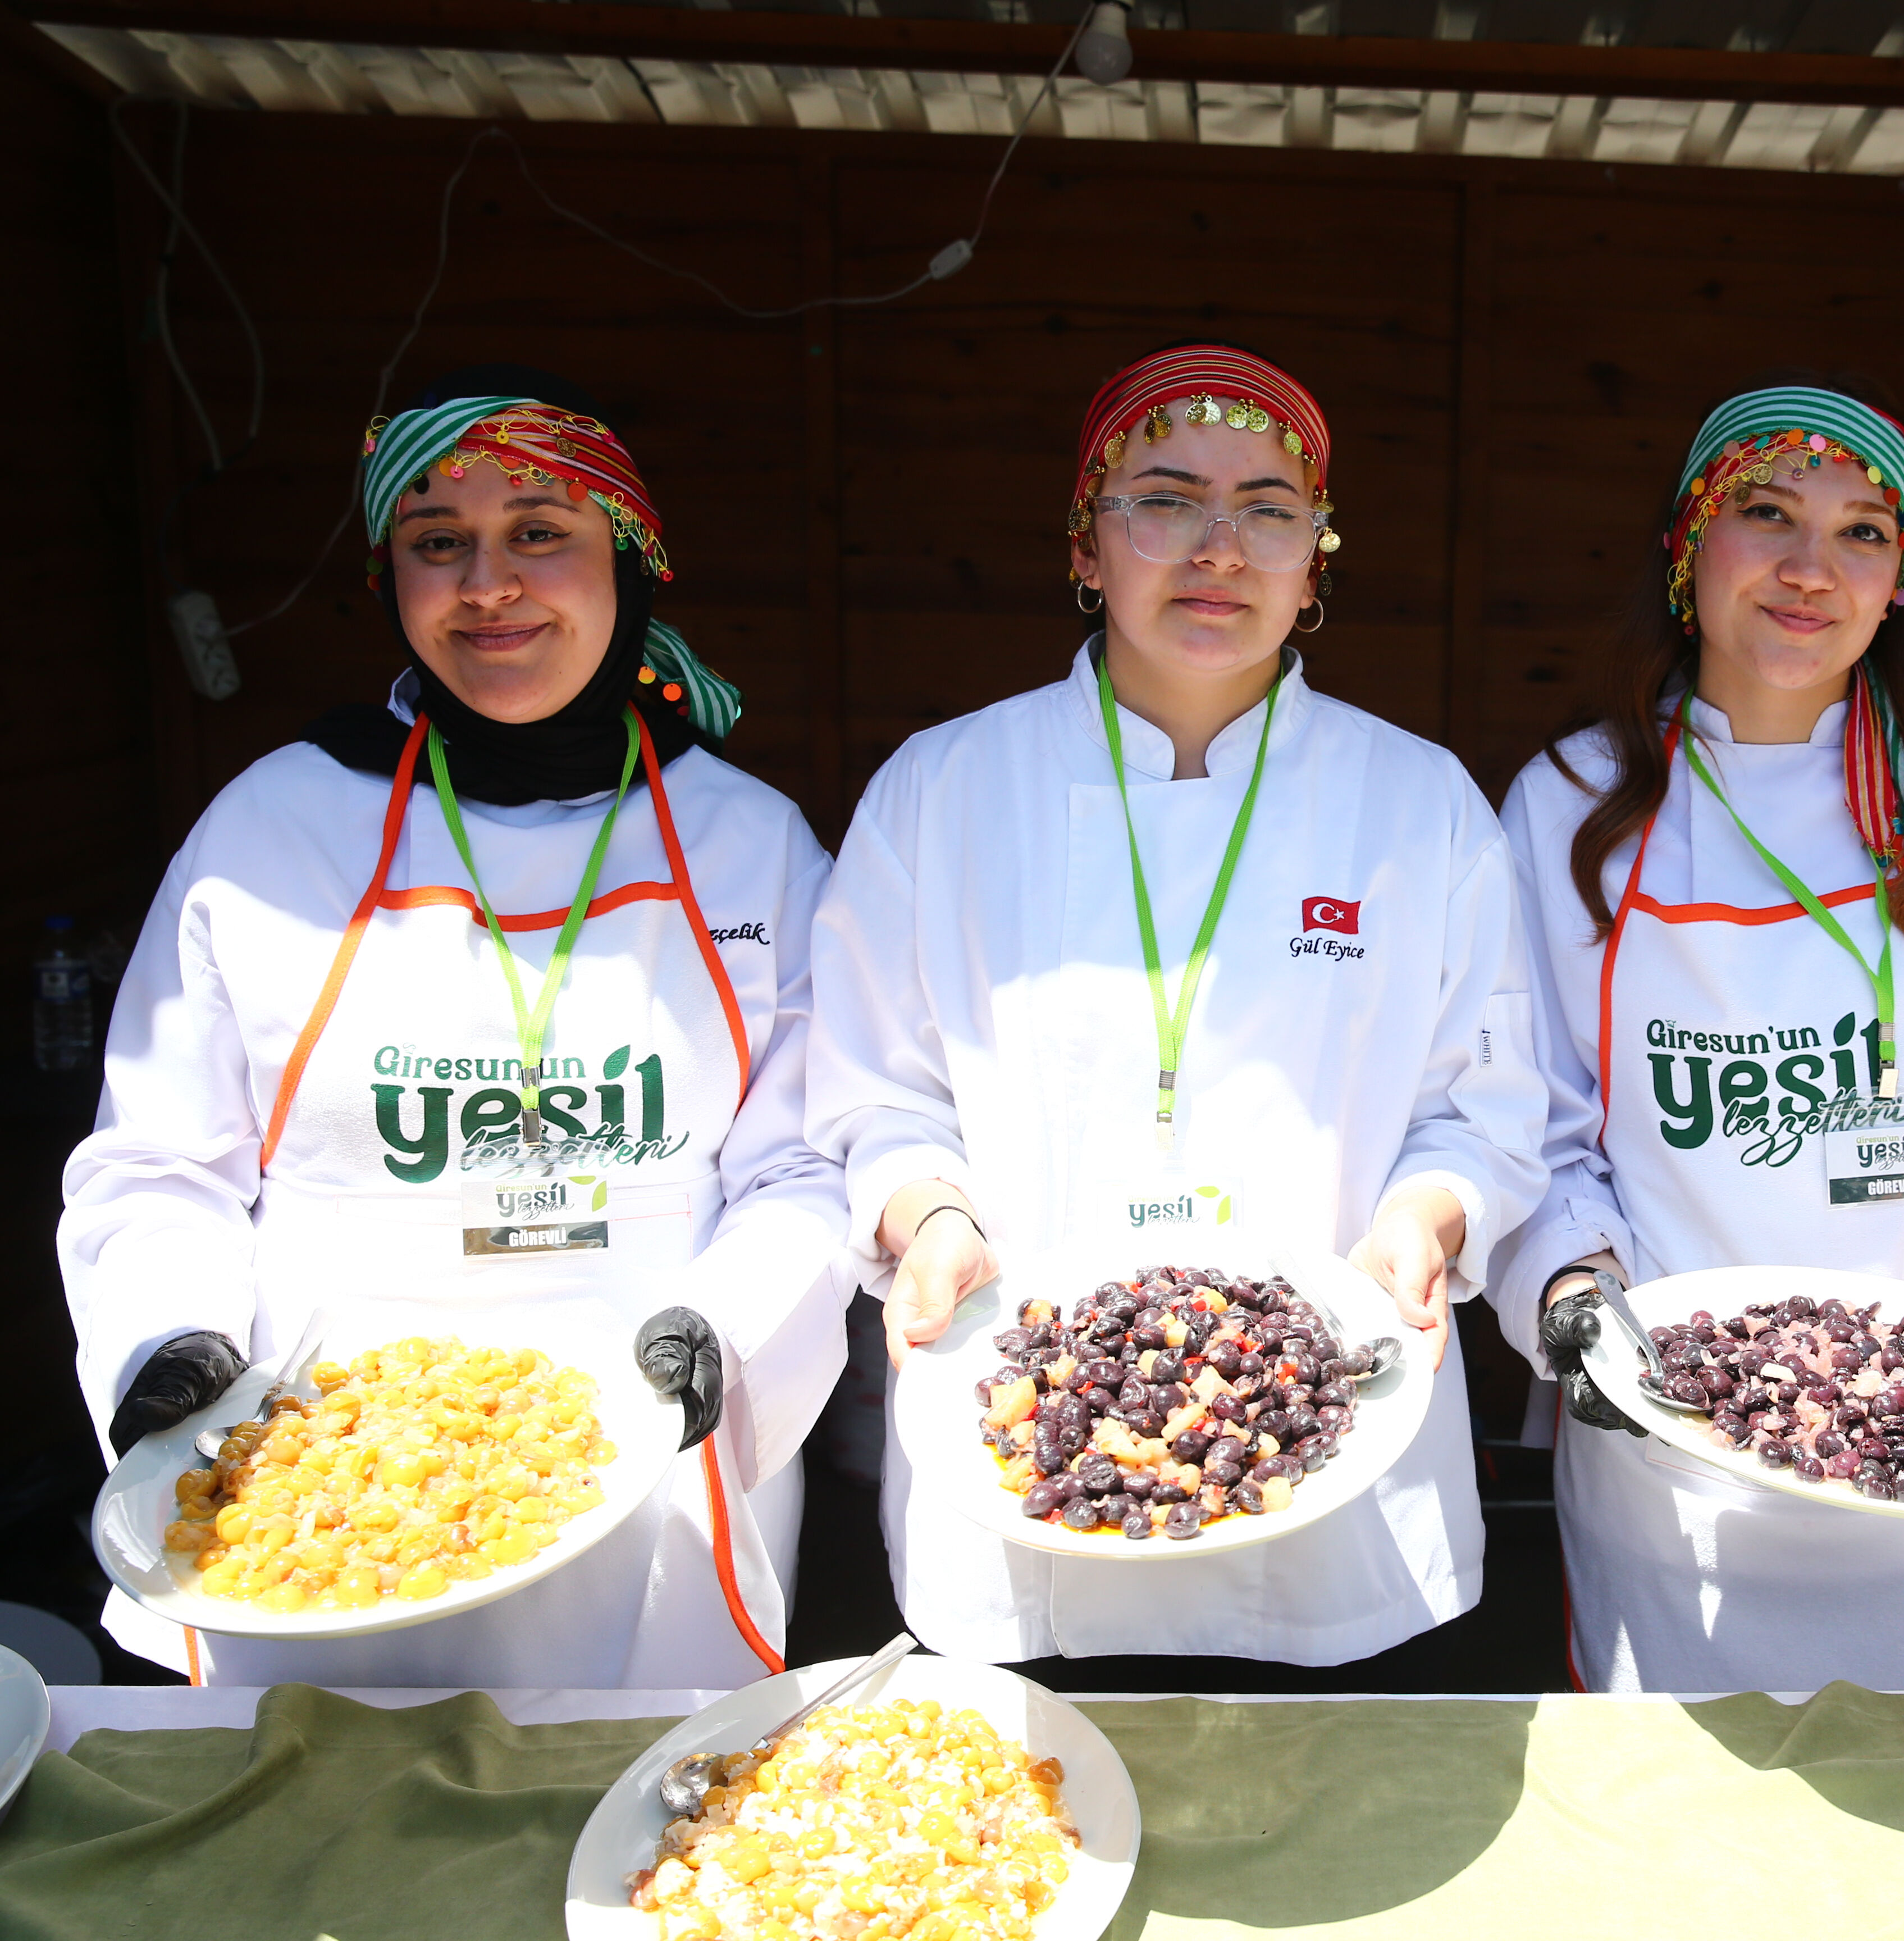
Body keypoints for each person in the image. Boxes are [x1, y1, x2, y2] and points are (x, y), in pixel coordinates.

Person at [63, 367, 851, 1687]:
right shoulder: (273, 830)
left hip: (651, 1470)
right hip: (314, 1490)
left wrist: (722, 1330)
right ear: (394, 580)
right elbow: (157, 1161)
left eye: (539, 531)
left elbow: (805, 1162)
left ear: (631, 558)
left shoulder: (749, 842)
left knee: (647, 1797)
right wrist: (170, 1333)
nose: (489, 584)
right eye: (440, 543)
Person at [803, 342, 1547, 1675]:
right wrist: (933, 1221)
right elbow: (877, 1093)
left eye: (1268, 510)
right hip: (1020, 1442)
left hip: (1340, 1445)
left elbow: (1480, 1110)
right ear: (1086, 547)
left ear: (1314, 563)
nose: (1219, 548)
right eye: (1164, 501)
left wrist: (1424, 1222)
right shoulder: (945, 789)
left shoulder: (1419, 804)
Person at [1487, 375, 1904, 1694]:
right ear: (1687, 544)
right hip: (1676, 1459)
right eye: (1767, 513)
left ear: (1901, 585)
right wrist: (1574, 1295)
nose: (1810, 569)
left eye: (1863, 533)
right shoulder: (1569, 808)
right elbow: (1529, 1131)